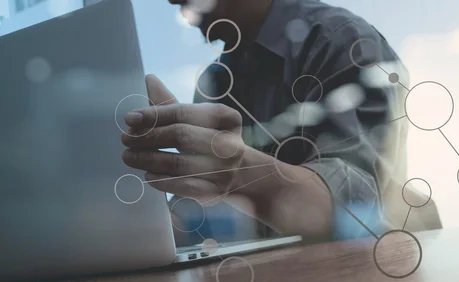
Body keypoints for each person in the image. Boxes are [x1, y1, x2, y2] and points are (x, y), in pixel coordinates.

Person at [121, 0, 441, 246]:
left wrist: (236, 174)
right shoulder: (216, 80)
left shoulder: (338, 39)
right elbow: (210, 212)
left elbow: (357, 209)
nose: (170, 1)